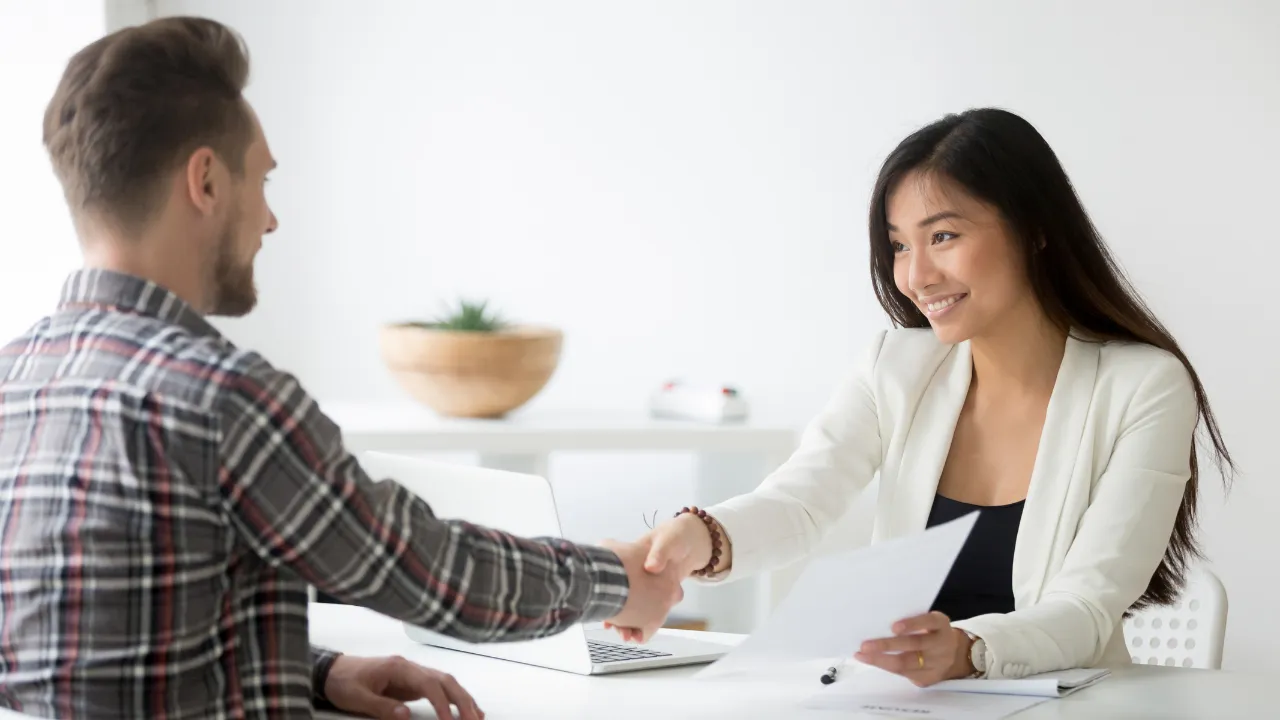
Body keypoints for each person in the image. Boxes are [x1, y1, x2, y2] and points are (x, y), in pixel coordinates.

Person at [0, 17, 683, 720]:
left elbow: (91, 646)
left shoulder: (14, 383)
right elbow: (433, 572)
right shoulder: (220, 398)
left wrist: (319, 671)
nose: (269, 220)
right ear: (205, 180)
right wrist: (618, 580)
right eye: (261, 179)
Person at [619, 108, 1234, 686]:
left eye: (942, 236)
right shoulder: (896, 366)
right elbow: (800, 503)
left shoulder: (1144, 387)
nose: (915, 276)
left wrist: (969, 650)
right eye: (900, 245)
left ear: (1036, 229)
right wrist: (700, 537)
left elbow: (1087, 606)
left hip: (1063, 701)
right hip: (896, 701)